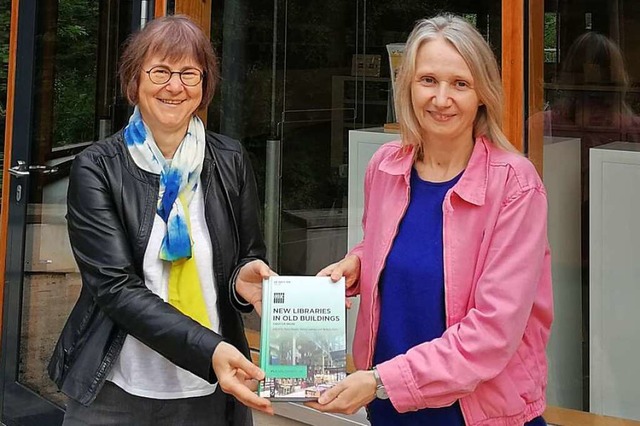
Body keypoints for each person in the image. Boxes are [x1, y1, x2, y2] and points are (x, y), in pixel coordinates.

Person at [307, 15, 553, 426]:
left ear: (482, 94)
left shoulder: (515, 185)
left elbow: (493, 333)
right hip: (390, 410)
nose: (441, 98)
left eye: (460, 83)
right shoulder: (385, 167)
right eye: (428, 80)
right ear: (407, 87)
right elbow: (394, 246)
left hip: (477, 416)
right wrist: (360, 263)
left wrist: (380, 380)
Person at [48, 15, 274, 425]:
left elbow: (244, 257)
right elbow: (114, 288)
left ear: (204, 86)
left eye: (190, 73)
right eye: (161, 72)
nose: (175, 86)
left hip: (207, 393)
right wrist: (210, 350)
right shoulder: (98, 168)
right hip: (117, 389)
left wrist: (244, 282)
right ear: (134, 82)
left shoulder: (230, 159)